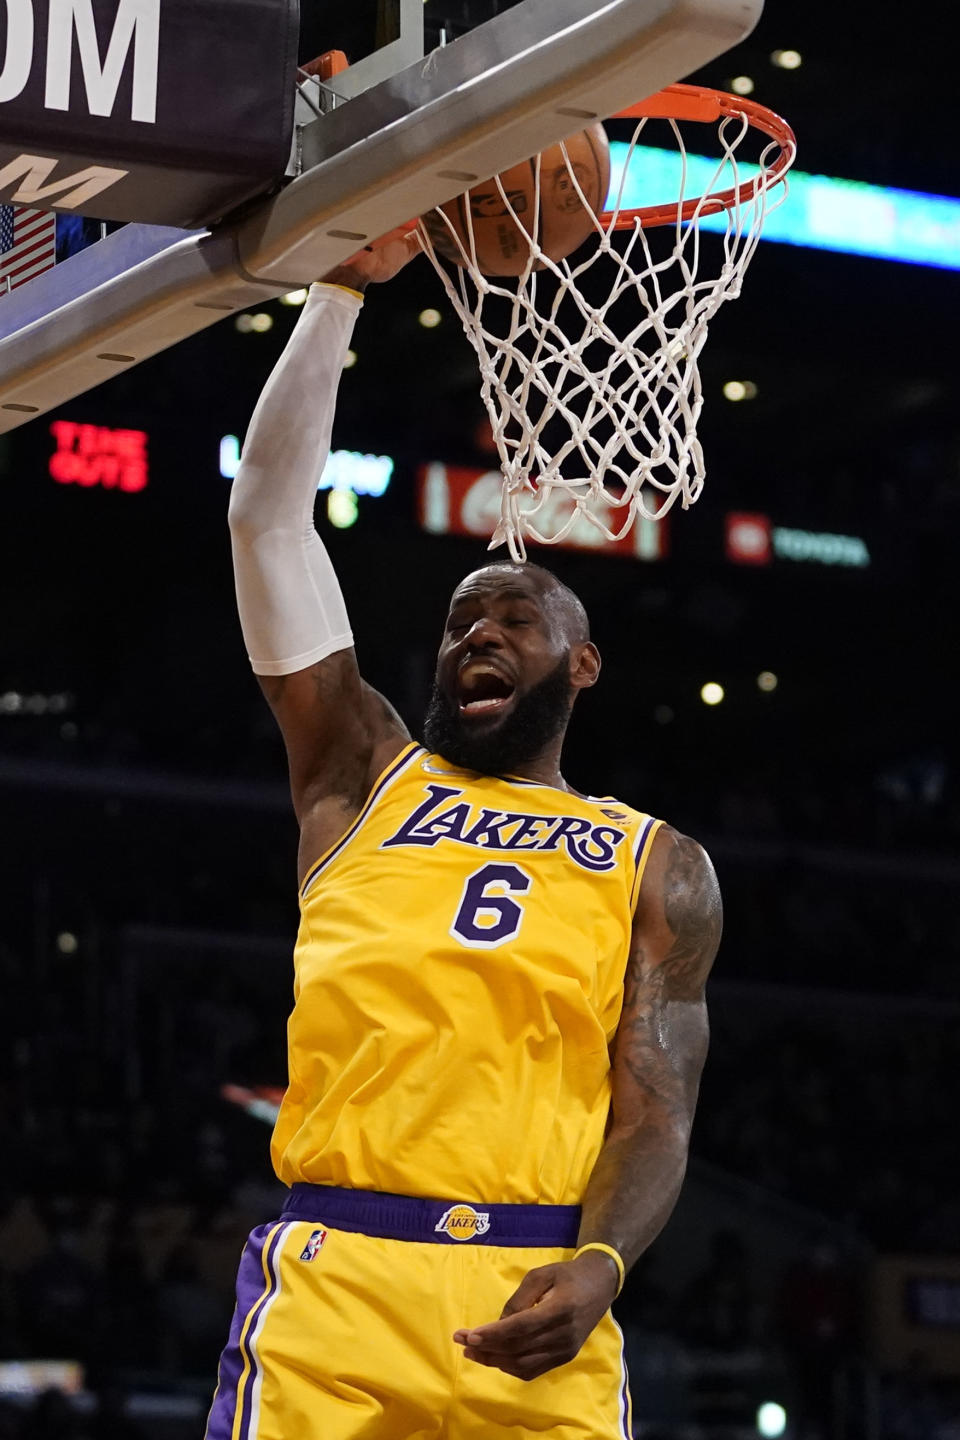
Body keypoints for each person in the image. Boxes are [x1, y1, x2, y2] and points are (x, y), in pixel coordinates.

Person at [205, 232, 722, 1440]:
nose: (477, 637)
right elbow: (269, 527)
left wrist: (606, 1262)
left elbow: (656, 1111)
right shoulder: (360, 772)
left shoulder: (661, 863)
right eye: (456, 624)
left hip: (542, 1292)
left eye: (512, 620)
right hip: (340, 1280)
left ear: (582, 665)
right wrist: (337, 290)